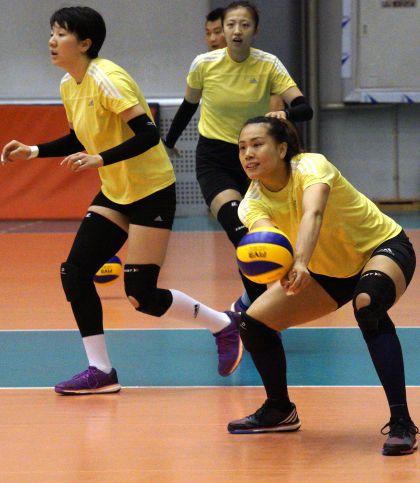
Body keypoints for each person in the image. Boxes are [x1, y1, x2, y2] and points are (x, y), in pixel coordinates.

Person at [1, 6, 242, 395]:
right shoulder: (69, 84)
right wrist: (33, 150)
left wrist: (99, 159)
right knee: (74, 272)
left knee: (140, 295)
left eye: (61, 34)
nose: (51, 40)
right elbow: (79, 137)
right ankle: (101, 370)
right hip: (115, 192)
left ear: (85, 43)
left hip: (151, 191)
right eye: (51, 32)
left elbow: (148, 134)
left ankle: (223, 324)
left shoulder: (108, 78)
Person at [227, 115, 418, 456]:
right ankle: (279, 409)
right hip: (328, 272)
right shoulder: (250, 203)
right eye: (242, 148)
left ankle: (402, 422)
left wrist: (301, 262)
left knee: (368, 305)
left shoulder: (311, 166)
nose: (248, 154)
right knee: (253, 322)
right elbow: (267, 238)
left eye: (257, 145)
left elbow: (312, 213)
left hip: (379, 248)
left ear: (282, 149)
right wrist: (282, 271)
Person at [164, 1, 313, 315]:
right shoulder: (204, 64)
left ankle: (248, 304)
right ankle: (258, 313)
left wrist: (284, 114)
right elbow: (188, 106)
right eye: (230, 24)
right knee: (240, 230)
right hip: (214, 158)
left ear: (255, 30)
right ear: (222, 29)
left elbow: (304, 108)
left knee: (261, 235)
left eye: (245, 25)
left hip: (255, 161)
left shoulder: (268, 64)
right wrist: (169, 142)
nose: (236, 31)